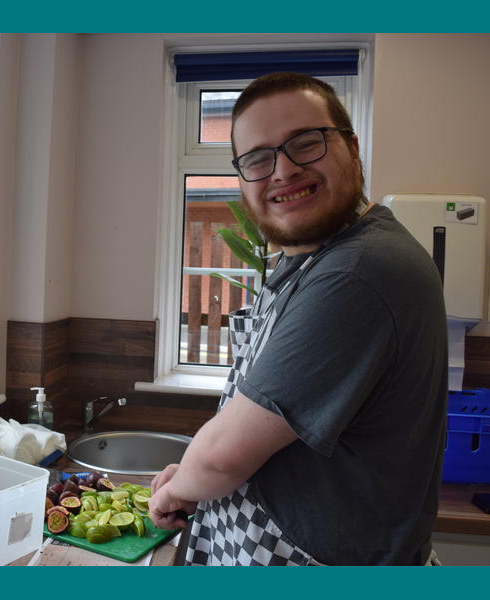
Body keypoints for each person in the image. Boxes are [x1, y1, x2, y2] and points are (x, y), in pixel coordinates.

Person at [149, 72, 448, 566]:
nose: (283, 171)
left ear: (351, 147)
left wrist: (177, 488)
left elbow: (226, 454)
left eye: (305, 143)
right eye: (258, 158)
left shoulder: (357, 272)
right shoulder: (314, 258)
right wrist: (188, 475)